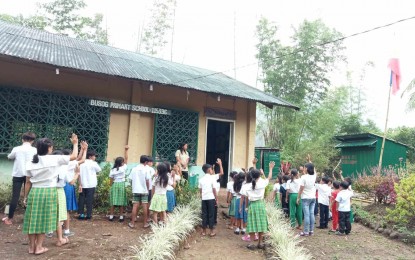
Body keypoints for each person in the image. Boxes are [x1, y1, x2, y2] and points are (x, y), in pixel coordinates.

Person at [23, 134, 78, 255]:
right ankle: (39, 247)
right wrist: (75, 143)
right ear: (49, 148)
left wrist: (25, 197)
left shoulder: (31, 161)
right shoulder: (54, 159)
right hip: (49, 192)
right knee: (43, 220)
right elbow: (74, 156)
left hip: (34, 192)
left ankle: (31, 247)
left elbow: (27, 181)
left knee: (32, 219)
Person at [2, 132, 37, 225]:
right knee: (28, 195)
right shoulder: (34, 150)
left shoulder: (17, 149)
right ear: (32, 141)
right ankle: (29, 218)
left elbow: (10, 157)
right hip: (29, 175)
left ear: (22, 139)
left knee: (15, 196)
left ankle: (9, 218)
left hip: (18, 174)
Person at [243, 161, 274, 250]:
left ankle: (252, 243)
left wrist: (253, 165)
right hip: (260, 205)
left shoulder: (247, 186)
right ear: (259, 175)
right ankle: (260, 243)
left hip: (252, 205)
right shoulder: (262, 183)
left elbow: (245, 195)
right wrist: (270, 168)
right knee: (261, 224)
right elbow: (269, 177)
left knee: (252, 224)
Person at [62, 143, 88, 238]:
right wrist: (85, 150)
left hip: (61, 186)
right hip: (68, 186)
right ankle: (66, 230)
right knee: (66, 210)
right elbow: (82, 160)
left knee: (59, 209)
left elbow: (77, 159)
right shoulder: (70, 163)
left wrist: (81, 149)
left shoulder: (61, 163)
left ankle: (53, 229)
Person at [78, 150, 101, 220]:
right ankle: (88, 215)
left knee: (81, 199)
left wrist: (79, 184)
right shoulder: (93, 163)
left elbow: (78, 173)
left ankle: (81, 214)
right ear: (90, 157)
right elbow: (99, 170)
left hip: (82, 184)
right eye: (94, 156)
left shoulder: (81, 162)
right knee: (89, 200)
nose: (95, 157)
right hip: (91, 184)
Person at [108, 145, 129, 222]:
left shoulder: (113, 170)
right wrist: (126, 150)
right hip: (121, 185)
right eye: (123, 162)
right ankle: (121, 216)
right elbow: (127, 159)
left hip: (114, 185)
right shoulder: (123, 168)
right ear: (122, 163)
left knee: (113, 201)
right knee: (121, 201)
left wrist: (111, 185)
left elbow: (111, 179)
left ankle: (111, 216)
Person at [129, 155, 151, 228]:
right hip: (144, 190)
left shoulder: (134, 169)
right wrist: (147, 189)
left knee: (135, 205)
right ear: (145, 162)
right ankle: (145, 223)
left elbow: (130, 180)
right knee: (145, 205)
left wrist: (133, 187)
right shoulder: (146, 170)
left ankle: (132, 223)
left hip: (136, 190)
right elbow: (147, 180)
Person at [297, 163, 317, 237]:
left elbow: (301, 189)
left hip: (305, 198)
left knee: (306, 215)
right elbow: (314, 169)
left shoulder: (303, 177)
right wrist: (310, 161)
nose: (304, 169)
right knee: (311, 214)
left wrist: (298, 197)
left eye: (305, 167)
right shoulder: (314, 176)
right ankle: (311, 231)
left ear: (307, 169)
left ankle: (305, 231)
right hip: (313, 198)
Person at [198, 163, 218, 237]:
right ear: (209, 170)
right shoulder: (212, 178)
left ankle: (204, 231)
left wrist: (202, 196)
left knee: (204, 214)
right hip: (211, 198)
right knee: (211, 214)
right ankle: (211, 231)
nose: (212, 170)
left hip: (204, 198)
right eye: (212, 169)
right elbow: (214, 189)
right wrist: (216, 198)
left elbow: (200, 190)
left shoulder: (201, 179)